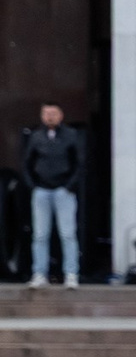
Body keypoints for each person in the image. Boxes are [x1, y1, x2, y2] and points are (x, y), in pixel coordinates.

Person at [20, 104, 82, 286]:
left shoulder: (71, 135)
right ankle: (39, 273)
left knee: (67, 233)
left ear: (61, 115)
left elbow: (79, 163)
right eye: (46, 113)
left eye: (53, 113)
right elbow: (27, 163)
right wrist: (33, 186)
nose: (50, 117)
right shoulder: (36, 136)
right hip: (42, 190)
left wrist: (70, 186)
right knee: (40, 234)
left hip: (63, 190)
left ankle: (71, 273)